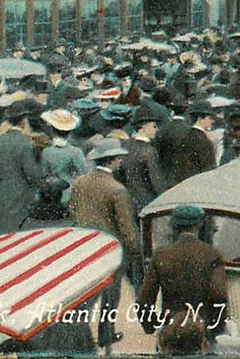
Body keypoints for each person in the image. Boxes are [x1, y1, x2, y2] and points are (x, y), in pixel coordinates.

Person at [69, 137, 140, 347]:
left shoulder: (80, 183)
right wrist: (134, 250)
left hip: (83, 244)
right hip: (110, 248)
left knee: (84, 296)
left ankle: (79, 334)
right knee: (110, 297)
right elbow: (126, 226)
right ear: (113, 160)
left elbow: (72, 210)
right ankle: (105, 334)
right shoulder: (116, 189)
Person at [138, 205, 229, 342]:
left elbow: (145, 299)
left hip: (171, 329)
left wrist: (150, 326)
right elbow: (219, 296)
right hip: (200, 331)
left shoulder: (161, 256)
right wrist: (216, 329)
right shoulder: (211, 255)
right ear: (199, 224)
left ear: (174, 225)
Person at [0, 100, 43, 233]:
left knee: (1, 231)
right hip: (20, 192)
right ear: (23, 120)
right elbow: (31, 172)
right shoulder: (24, 142)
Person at [172, 99, 217, 184]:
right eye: (210, 118)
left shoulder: (187, 134)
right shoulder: (201, 139)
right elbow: (208, 167)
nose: (212, 121)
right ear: (200, 119)